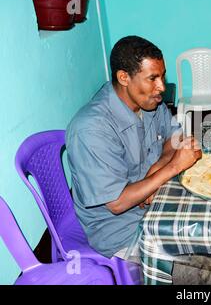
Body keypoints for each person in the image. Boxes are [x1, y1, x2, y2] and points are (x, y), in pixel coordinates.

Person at [66, 36, 202, 263]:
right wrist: (172, 167)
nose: (161, 87)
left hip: (156, 202)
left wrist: (157, 168)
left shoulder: (149, 101)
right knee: (202, 261)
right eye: (153, 78)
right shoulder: (91, 129)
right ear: (124, 77)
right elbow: (117, 203)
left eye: (162, 75)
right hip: (121, 230)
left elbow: (174, 136)